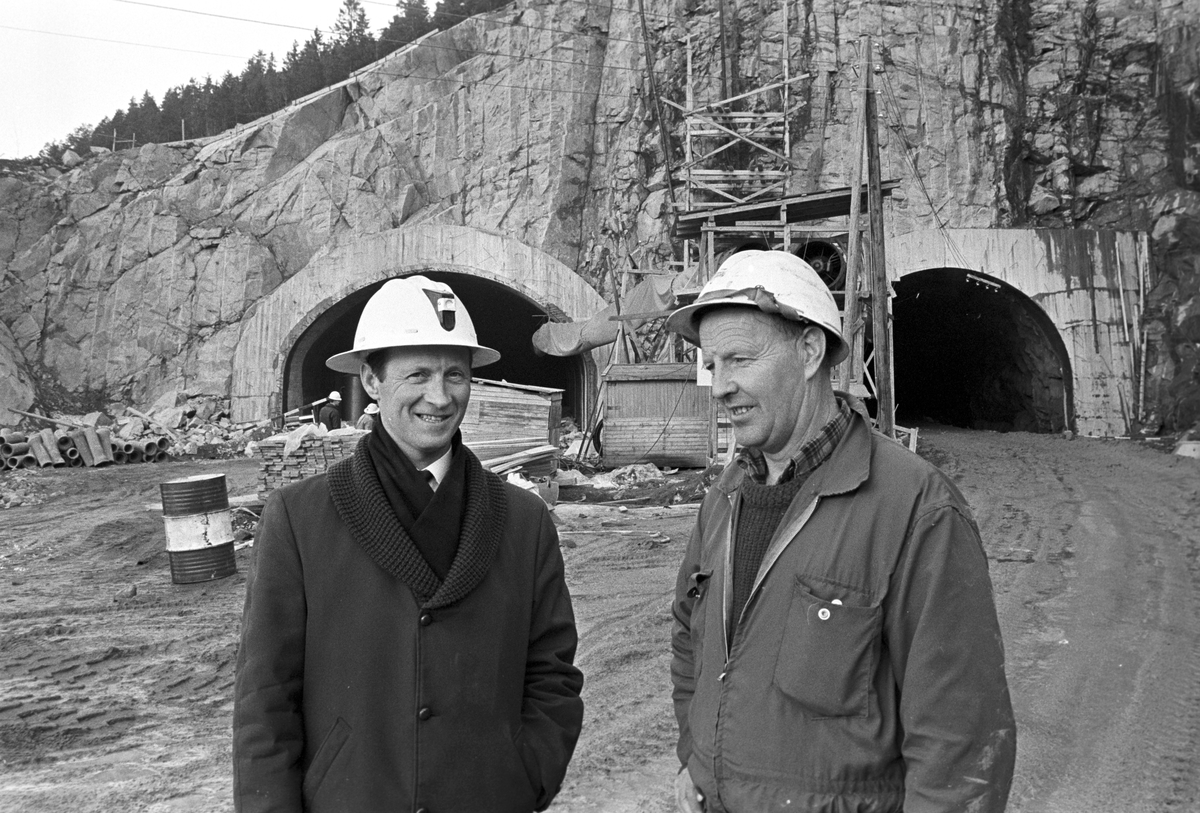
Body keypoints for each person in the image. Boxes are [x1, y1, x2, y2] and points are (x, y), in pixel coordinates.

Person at [665, 250, 1016, 813]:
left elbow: (960, 739)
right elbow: (689, 635)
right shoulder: (726, 496)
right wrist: (694, 755)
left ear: (809, 352)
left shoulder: (915, 507)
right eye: (713, 364)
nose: (720, 387)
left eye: (740, 360)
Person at [233, 276, 584, 813]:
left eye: (455, 375)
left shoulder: (524, 522)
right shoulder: (299, 521)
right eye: (417, 374)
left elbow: (552, 675)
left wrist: (524, 776)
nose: (440, 397)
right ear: (372, 380)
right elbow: (267, 698)